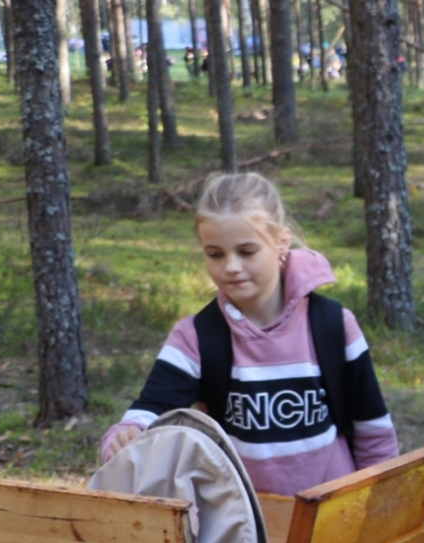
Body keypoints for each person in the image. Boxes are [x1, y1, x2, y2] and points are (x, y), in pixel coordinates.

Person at [99, 173, 398, 494]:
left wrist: (384, 503)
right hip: (245, 525)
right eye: (215, 254)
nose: (230, 267)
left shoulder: (334, 325)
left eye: (246, 251)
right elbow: (151, 408)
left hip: (334, 514)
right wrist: (126, 433)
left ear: (281, 242)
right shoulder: (196, 338)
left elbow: (373, 431)